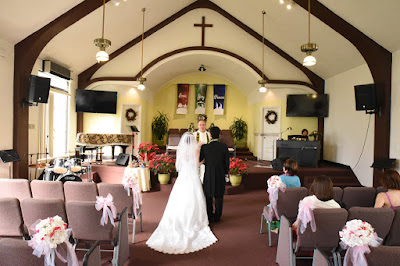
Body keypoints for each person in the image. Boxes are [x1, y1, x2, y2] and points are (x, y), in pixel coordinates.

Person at [146, 132, 217, 254]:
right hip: (193, 177)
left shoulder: (181, 150)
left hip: (183, 177)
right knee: (195, 199)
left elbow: (178, 166)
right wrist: (202, 161)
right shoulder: (196, 150)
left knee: (179, 199)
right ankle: (194, 221)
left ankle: (178, 220)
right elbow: (196, 164)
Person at [200, 127, 230, 223]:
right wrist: (226, 174)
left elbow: (200, 159)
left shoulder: (205, 147)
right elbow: (227, 162)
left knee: (208, 196)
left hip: (208, 174)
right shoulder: (224, 147)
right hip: (220, 174)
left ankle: (209, 215)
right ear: (219, 135)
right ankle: (217, 216)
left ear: (210, 135)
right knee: (219, 196)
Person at [193, 119, 212, 183]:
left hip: (207, 155)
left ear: (205, 126)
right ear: (198, 126)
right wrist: (197, 145)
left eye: (203, 125)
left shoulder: (208, 134)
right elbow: (191, 146)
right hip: (196, 155)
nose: (202, 126)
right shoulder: (194, 134)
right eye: (200, 125)